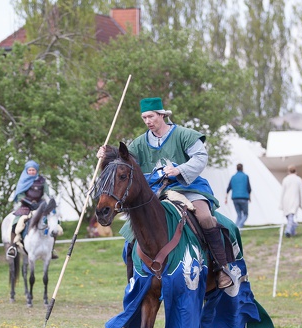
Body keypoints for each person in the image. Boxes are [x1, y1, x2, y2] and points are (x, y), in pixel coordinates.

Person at [97, 97, 235, 288]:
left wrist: (180, 170)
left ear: (162, 115)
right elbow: (123, 161)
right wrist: (106, 154)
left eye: (151, 116)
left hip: (189, 189)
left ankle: (221, 268)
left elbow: (201, 156)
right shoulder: (139, 143)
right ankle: (134, 278)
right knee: (130, 232)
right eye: (144, 117)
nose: (147, 121)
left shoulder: (184, 135)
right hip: (157, 193)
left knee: (205, 218)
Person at [7, 160, 57, 259]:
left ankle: (51, 249)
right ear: (26, 170)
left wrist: (50, 200)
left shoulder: (42, 180)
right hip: (26, 206)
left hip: (40, 205)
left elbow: (46, 193)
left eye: (33, 170)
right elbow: (20, 195)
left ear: (36, 170)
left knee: (54, 224)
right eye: (29, 170)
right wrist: (30, 203)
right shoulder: (22, 181)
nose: (31, 172)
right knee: (15, 223)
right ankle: (13, 247)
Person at [224, 163, 252, 228]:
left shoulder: (233, 177)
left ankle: (235, 229)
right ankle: (239, 227)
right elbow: (249, 188)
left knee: (239, 215)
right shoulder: (245, 176)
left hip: (235, 198)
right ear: (242, 168)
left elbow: (228, 188)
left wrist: (226, 198)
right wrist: (250, 197)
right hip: (244, 198)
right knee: (245, 214)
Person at [280, 165, 302, 237]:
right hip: (294, 199)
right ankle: (293, 228)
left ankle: (288, 230)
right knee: (289, 216)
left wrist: (281, 203)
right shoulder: (298, 179)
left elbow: (282, 192)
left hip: (287, 200)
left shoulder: (286, 179)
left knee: (290, 215)